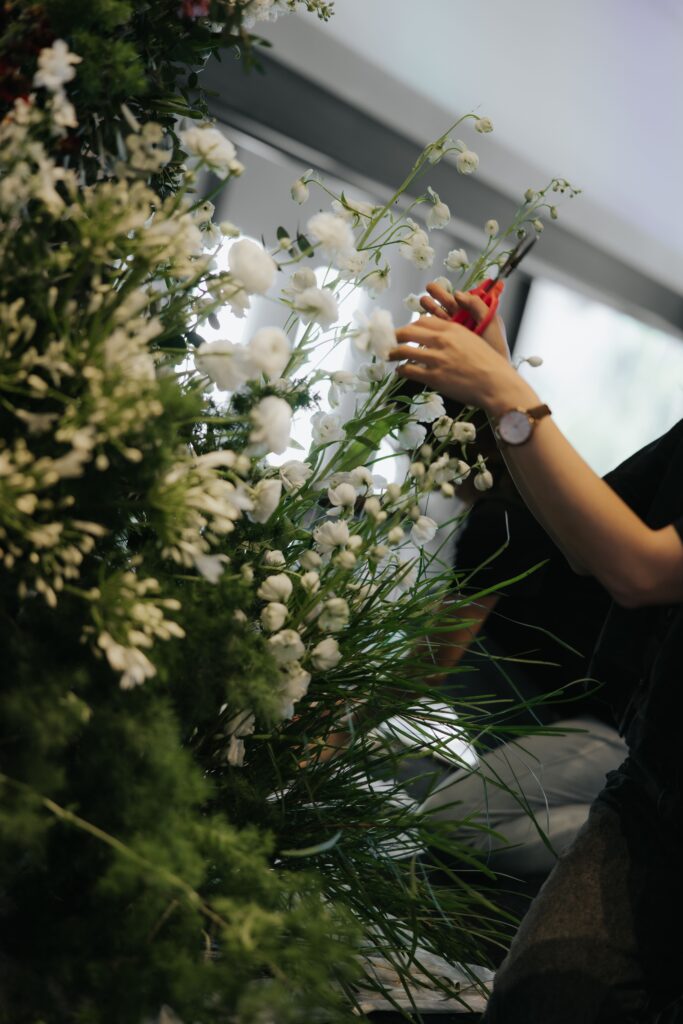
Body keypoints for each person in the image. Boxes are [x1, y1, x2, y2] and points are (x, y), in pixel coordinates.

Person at [390, 282, 683, 1023]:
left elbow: (638, 568)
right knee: (537, 996)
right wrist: (500, 374)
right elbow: (596, 539)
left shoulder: (489, 531)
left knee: (446, 820)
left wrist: (501, 391)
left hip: (606, 747)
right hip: (650, 780)